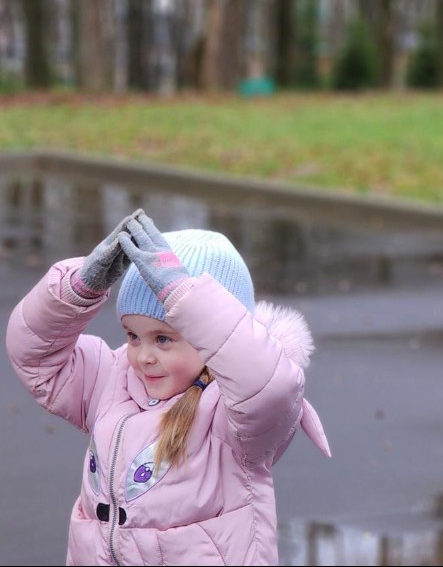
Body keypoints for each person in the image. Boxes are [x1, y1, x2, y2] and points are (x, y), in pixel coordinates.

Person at [5, 209, 330, 565]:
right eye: (133, 336)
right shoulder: (112, 380)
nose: (143, 356)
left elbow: (269, 388)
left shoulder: (232, 415)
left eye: (163, 339)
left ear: (210, 337)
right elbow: (36, 355)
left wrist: (183, 297)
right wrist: (78, 288)